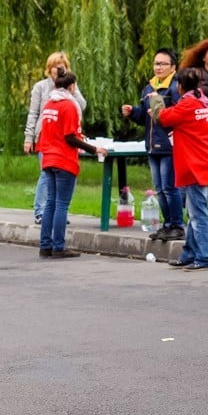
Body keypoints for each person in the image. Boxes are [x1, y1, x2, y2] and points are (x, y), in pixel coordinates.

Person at [148, 67, 208, 271]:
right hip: (207, 163)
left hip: (193, 167)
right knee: (196, 213)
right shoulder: (205, 101)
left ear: (179, 87)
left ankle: (205, 256)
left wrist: (156, 101)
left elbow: (163, 118)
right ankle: (189, 254)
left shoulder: (187, 104)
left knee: (198, 215)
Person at [37, 69, 107, 258]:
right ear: (72, 86)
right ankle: (59, 246)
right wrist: (94, 149)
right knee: (61, 204)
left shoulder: (50, 103)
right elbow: (69, 137)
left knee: (50, 203)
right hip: (63, 159)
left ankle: (45, 245)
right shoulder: (68, 106)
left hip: (49, 158)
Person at [121, 48, 185, 241]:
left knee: (169, 187)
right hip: (152, 145)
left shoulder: (176, 87)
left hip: (169, 145)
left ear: (173, 67)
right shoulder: (149, 87)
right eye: (156, 63)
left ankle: (177, 225)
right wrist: (133, 112)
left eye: (163, 64)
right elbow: (145, 118)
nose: (158, 67)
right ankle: (167, 225)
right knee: (159, 188)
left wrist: (162, 114)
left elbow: (180, 115)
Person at [23, 51, 87, 224]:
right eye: (55, 67)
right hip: (45, 136)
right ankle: (41, 211)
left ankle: (58, 214)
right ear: (49, 69)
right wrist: (29, 138)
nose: (59, 69)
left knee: (63, 176)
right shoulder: (41, 87)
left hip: (64, 138)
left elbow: (82, 105)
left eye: (62, 66)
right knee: (46, 174)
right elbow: (33, 113)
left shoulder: (71, 85)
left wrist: (70, 90)